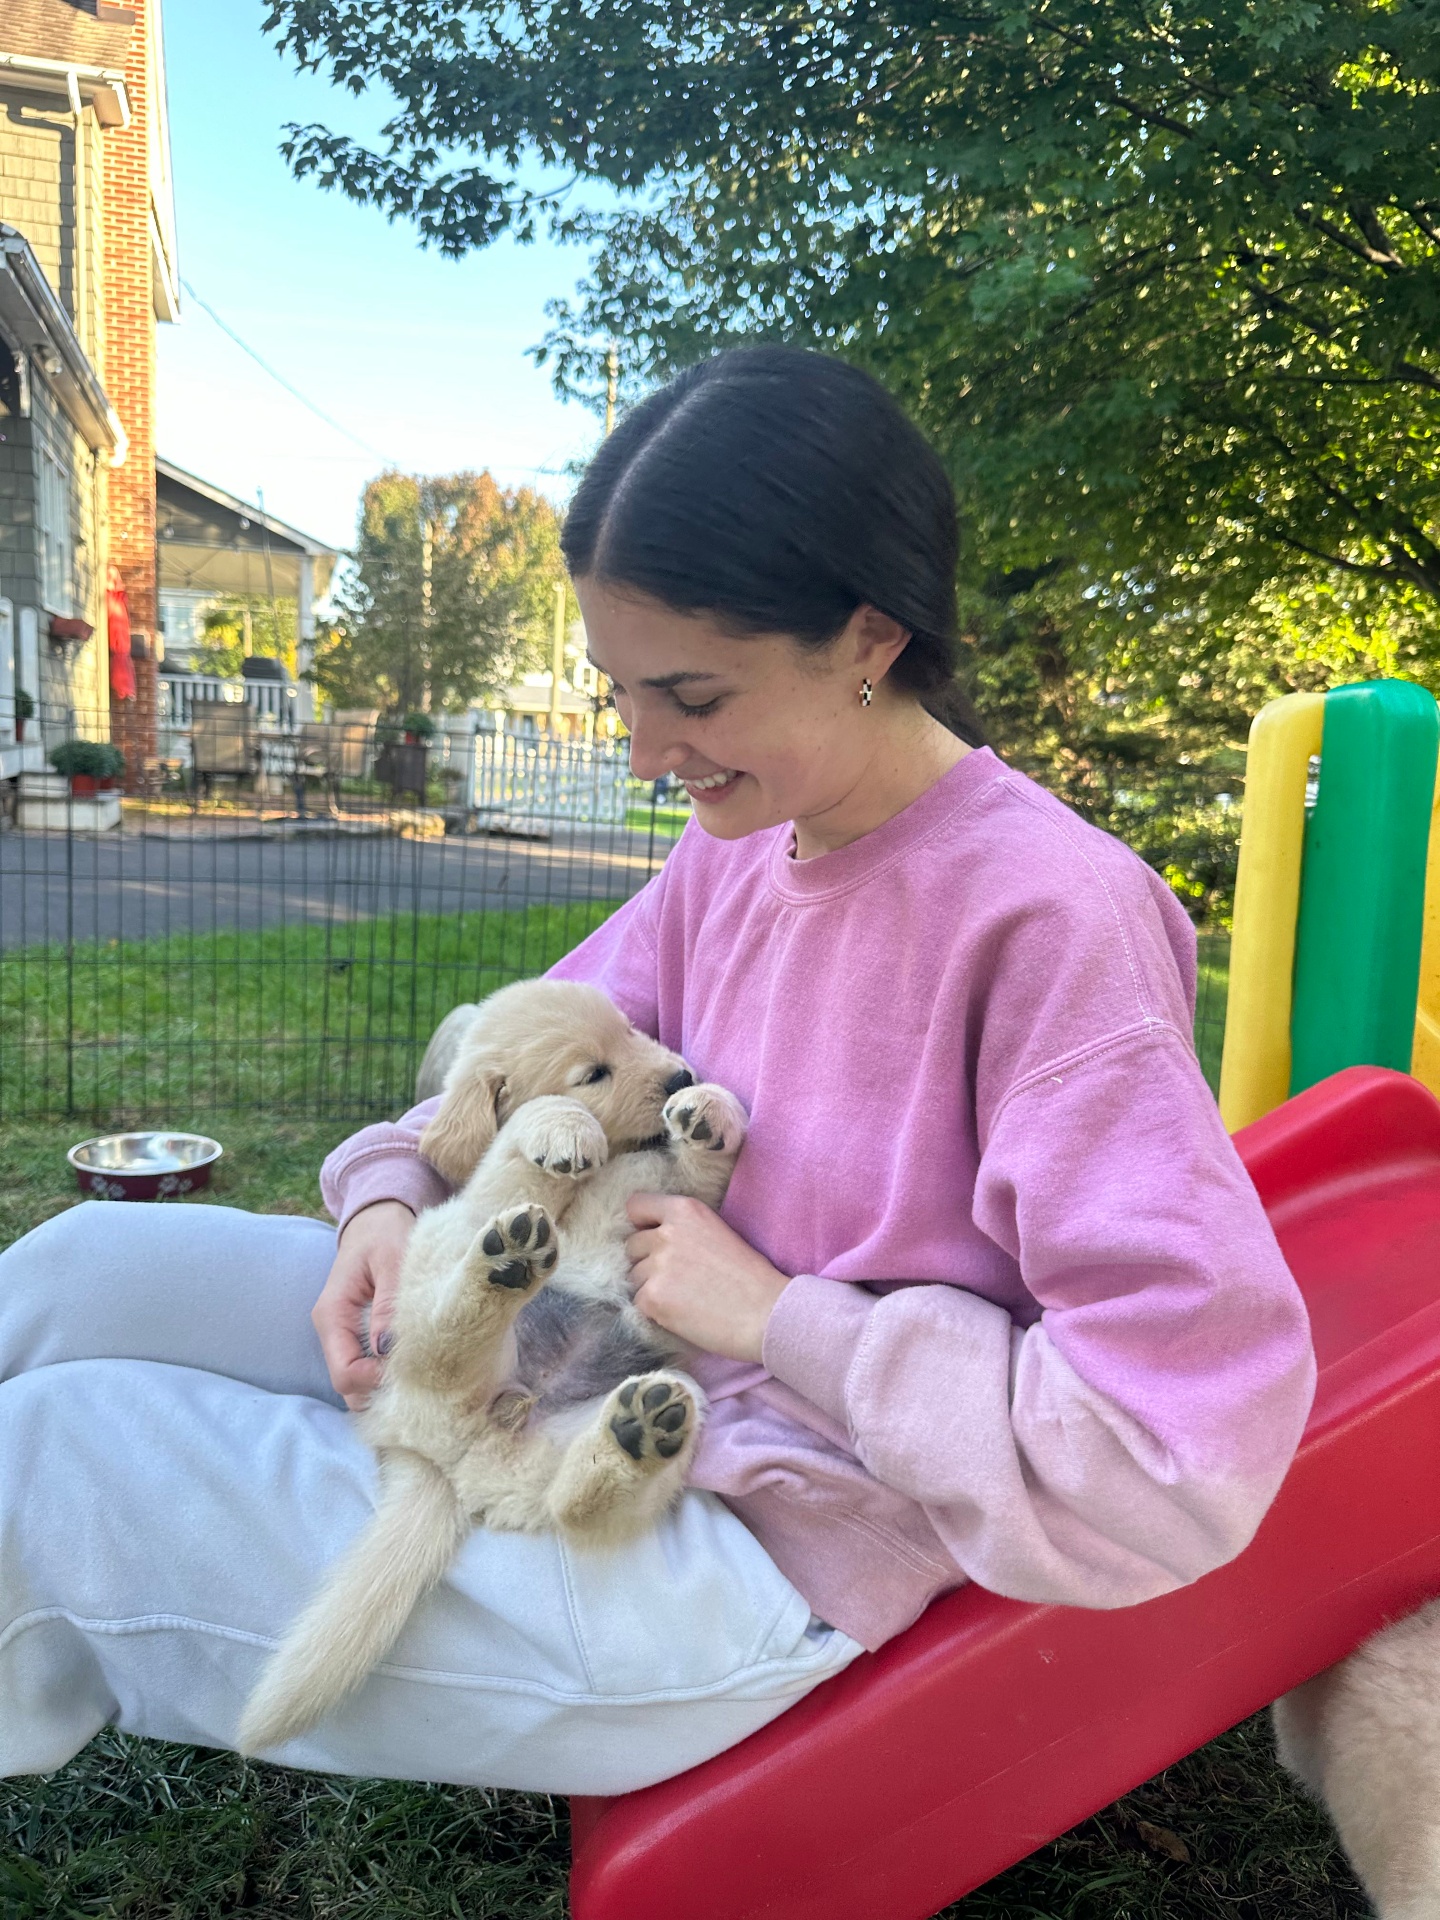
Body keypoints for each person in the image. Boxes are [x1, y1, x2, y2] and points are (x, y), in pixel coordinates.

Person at [0, 348, 1315, 1797]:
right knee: (77, 1271)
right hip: (559, 1335)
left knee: (49, 1456)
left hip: (722, 1528)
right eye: (619, 691)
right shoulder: (739, 849)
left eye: (690, 693)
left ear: (871, 635)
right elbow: (533, 1045)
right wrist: (386, 1201)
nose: (641, 752)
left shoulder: (1056, 921)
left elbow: (1176, 1450)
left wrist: (787, 1321)